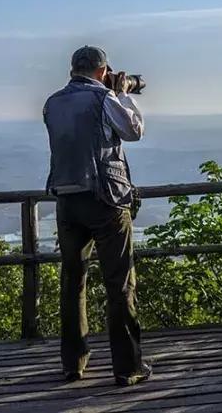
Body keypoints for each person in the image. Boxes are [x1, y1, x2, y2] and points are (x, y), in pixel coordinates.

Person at [42, 45, 153, 387]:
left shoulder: (52, 102)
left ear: (72, 68)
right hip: (106, 200)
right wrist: (121, 94)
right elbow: (134, 131)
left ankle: (73, 363)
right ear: (103, 71)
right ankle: (127, 366)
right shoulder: (104, 99)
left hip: (66, 199)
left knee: (72, 282)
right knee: (120, 284)